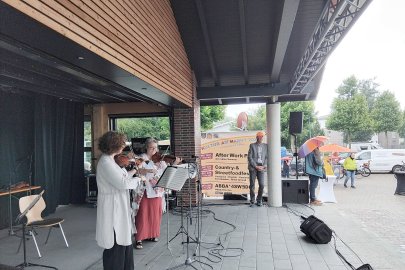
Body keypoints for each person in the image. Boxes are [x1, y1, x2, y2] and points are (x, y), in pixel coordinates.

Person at [95, 131, 141, 270]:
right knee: (115, 243)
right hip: (112, 206)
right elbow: (123, 184)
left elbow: (123, 177)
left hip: (119, 203)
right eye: (121, 143)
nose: (123, 146)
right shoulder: (105, 162)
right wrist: (139, 179)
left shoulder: (111, 160)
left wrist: (134, 172)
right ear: (114, 145)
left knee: (124, 242)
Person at [134, 138, 181, 249]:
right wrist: (149, 170)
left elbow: (167, 170)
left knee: (155, 214)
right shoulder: (141, 157)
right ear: (146, 147)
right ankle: (139, 238)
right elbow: (137, 170)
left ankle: (152, 234)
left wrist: (175, 163)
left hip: (157, 190)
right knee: (143, 214)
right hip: (145, 190)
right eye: (151, 147)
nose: (154, 150)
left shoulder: (160, 159)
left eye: (156, 147)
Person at [247, 131, 268, 207]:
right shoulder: (252, 145)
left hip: (262, 168)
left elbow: (266, 157)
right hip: (253, 168)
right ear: (257, 137)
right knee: (252, 185)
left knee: (262, 185)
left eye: (262, 136)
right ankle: (252, 200)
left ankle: (259, 200)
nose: (261, 138)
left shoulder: (266, 146)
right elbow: (249, 157)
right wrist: (255, 166)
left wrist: (264, 165)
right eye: (259, 136)